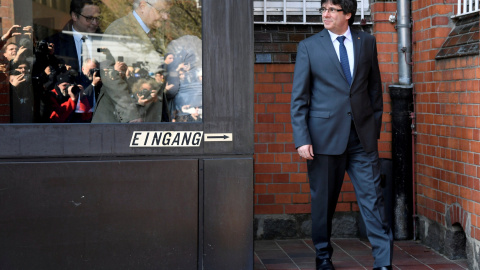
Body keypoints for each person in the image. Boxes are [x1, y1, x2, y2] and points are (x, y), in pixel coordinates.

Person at [289, 0, 393, 269]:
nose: (325, 14)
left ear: (348, 14)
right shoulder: (309, 47)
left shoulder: (366, 42)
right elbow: (299, 98)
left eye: (332, 10)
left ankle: (383, 262)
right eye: (323, 9)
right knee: (323, 203)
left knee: (374, 201)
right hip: (323, 140)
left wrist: (373, 129)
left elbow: (374, 90)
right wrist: (302, 139)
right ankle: (323, 257)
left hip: (361, 139)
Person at [92, 0, 170, 123]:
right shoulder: (119, 30)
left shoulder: (152, 32)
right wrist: (131, 115)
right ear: (143, 6)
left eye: (166, 12)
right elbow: (111, 76)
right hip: (123, 125)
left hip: (146, 120)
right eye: (161, 11)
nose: (165, 16)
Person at [46, 0, 102, 73]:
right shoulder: (54, 43)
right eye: (89, 18)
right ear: (74, 16)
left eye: (98, 18)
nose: (95, 23)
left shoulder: (106, 40)